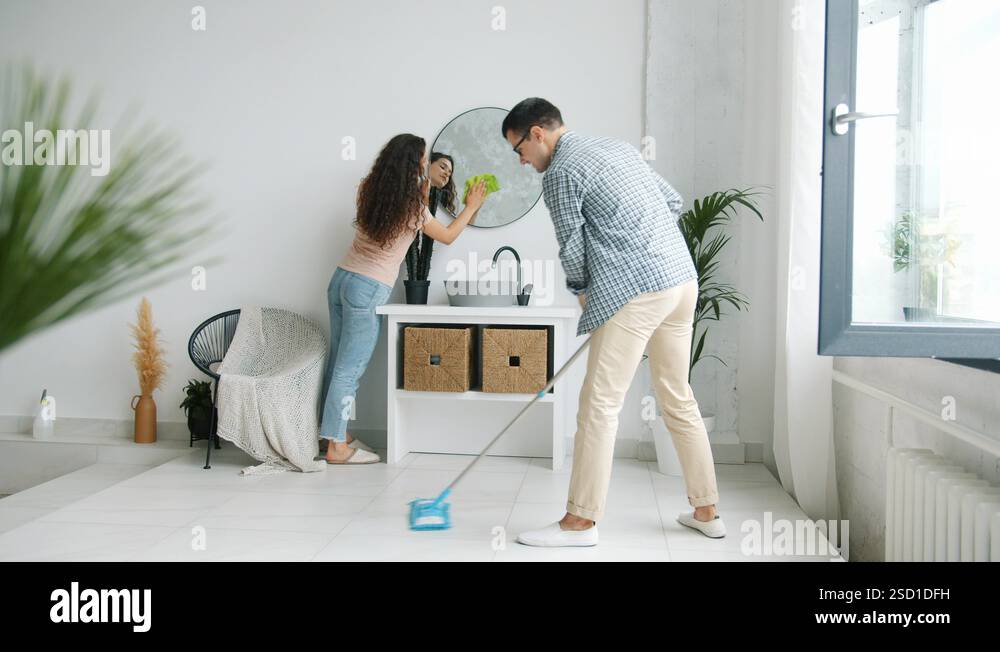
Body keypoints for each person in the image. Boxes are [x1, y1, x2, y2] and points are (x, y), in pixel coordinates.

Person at [501, 98, 725, 544]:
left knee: (600, 404)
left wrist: (584, 290)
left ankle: (580, 522)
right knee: (677, 396)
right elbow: (671, 199)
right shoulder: (616, 148)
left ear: (538, 133)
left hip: (637, 291)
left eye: (519, 149)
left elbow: (571, 243)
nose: (522, 160)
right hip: (680, 280)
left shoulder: (562, 172)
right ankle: (706, 511)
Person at [320, 134, 488, 463]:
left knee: (338, 364)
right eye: (423, 162)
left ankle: (332, 433)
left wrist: (424, 187)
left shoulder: (368, 187)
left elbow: (401, 209)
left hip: (341, 279)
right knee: (348, 371)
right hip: (367, 287)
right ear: (413, 166)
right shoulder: (412, 209)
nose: (426, 167)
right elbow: (449, 236)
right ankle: (336, 448)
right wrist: (471, 206)